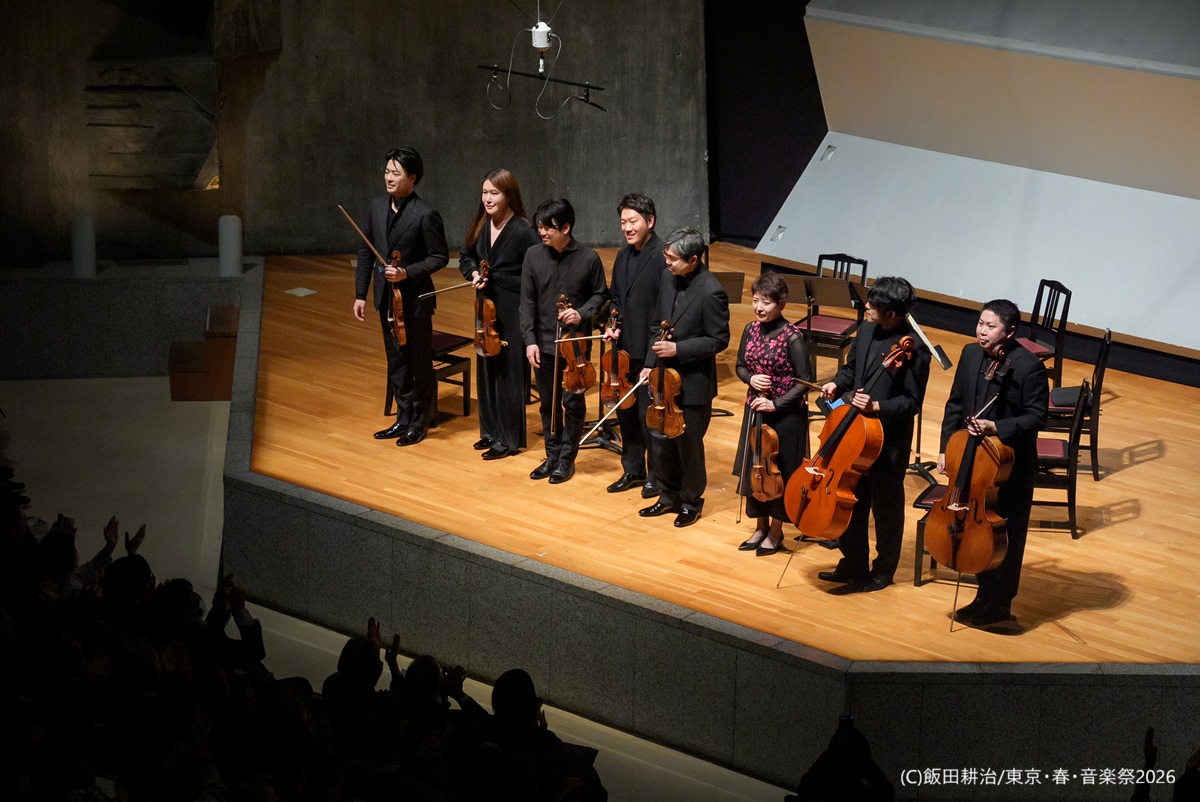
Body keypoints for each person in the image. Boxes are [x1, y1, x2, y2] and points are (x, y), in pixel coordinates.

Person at [938, 298, 1048, 627]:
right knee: (978, 529)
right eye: (980, 323)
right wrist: (945, 449)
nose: (982, 331)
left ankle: (1000, 603)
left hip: (1010, 466)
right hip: (973, 461)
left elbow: (1037, 417)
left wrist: (996, 427)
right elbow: (955, 404)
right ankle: (982, 596)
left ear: (1009, 332)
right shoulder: (971, 354)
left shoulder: (1028, 366)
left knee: (1005, 535)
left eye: (990, 326)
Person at [816, 276, 930, 592]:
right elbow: (852, 369)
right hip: (855, 433)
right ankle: (853, 563)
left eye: (873, 305)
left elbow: (912, 402)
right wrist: (837, 383)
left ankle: (883, 570)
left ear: (891, 313)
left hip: (887, 441)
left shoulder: (916, 348)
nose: (866, 306)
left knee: (885, 508)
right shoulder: (867, 328)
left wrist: (876, 405)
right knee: (851, 499)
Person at [354, 147, 449, 447]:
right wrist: (360, 294)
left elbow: (439, 256)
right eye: (387, 171)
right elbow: (366, 252)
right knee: (396, 362)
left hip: (415, 300)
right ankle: (403, 417)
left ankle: (419, 422)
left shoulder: (425, 214)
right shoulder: (376, 206)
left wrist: (407, 272)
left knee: (418, 362)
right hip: (386, 299)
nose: (389, 178)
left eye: (396, 173)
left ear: (412, 177)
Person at [638, 227, 730, 528]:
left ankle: (691, 502)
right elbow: (658, 324)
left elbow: (719, 339)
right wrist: (649, 363)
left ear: (693, 259)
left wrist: (679, 349)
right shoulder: (668, 277)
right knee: (662, 442)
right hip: (663, 378)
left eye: (673, 258)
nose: (667, 262)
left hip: (692, 382)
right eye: (666, 255)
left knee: (688, 446)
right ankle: (668, 496)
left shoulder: (711, 291)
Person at [519, 199, 609, 484]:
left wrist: (581, 312)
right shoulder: (533, 255)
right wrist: (529, 340)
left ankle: (567, 459)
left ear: (566, 228)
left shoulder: (588, 257)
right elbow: (527, 301)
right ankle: (552, 455)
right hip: (543, 343)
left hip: (576, 345)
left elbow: (601, 295)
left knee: (572, 402)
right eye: (539, 227)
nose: (542, 232)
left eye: (548, 228)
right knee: (548, 404)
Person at [459, 169, 541, 461]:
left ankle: (509, 439)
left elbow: (536, 273)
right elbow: (466, 256)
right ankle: (490, 431)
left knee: (508, 372)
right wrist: (473, 273)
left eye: (494, 193)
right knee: (486, 368)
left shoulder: (523, 230)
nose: (488, 198)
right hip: (485, 308)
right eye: (485, 192)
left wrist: (496, 278)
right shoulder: (481, 224)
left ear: (508, 195)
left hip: (511, 307)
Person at [732, 273, 811, 555]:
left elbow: (805, 382)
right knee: (756, 468)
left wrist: (776, 404)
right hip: (756, 410)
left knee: (780, 472)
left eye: (766, 302)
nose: (759, 307)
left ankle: (776, 530)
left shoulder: (793, 338)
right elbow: (740, 366)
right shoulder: (750, 330)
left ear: (782, 304)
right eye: (756, 300)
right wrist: (750, 378)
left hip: (785, 415)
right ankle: (760, 526)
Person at [603, 193, 665, 498]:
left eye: (632, 221)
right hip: (625, 351)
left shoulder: (663, 256)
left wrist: (653, 356)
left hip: (650, 350)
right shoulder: (623, 256)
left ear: (649, 221)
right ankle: (633, 469)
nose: (627, 228)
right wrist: (611, 324)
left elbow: (664, 309)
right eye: (623, 222)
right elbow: (616, 298)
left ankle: (656, 476)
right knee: (626, 413)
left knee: (647, 416)